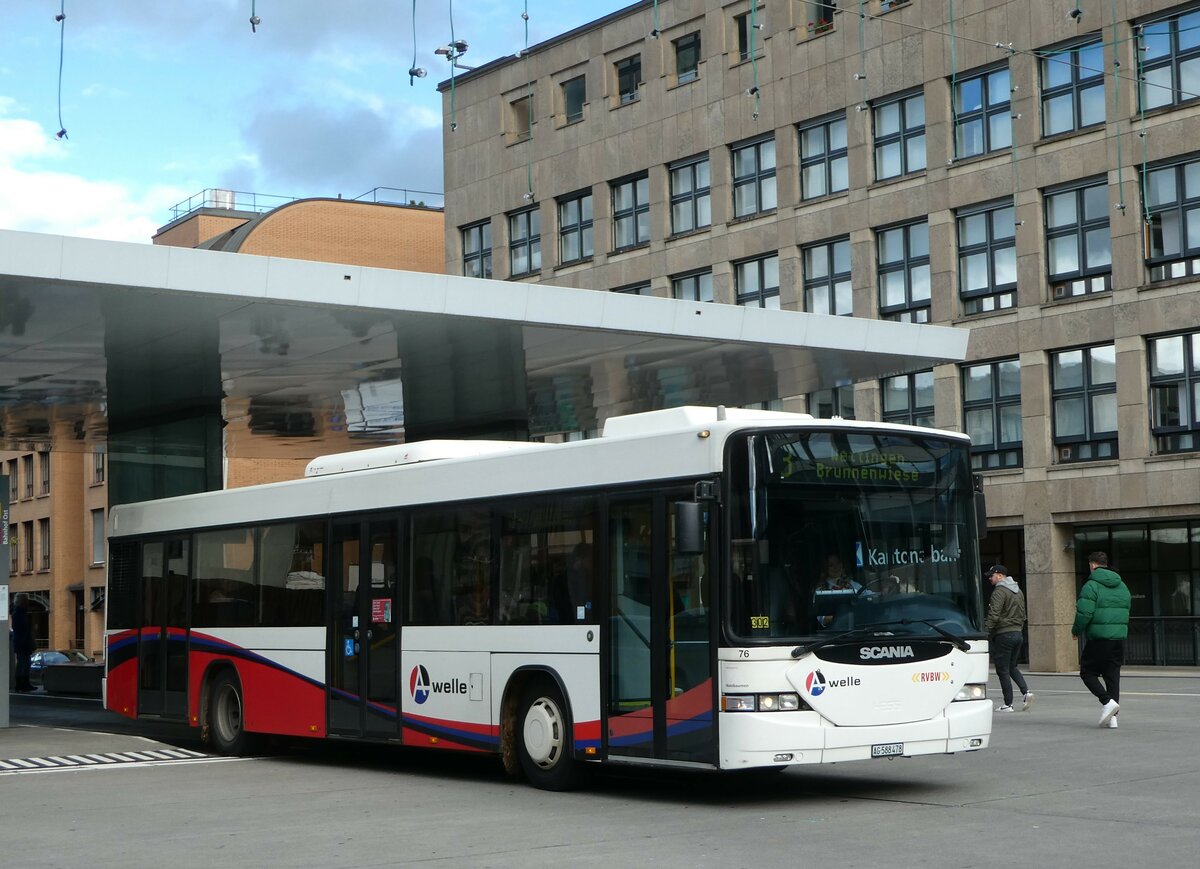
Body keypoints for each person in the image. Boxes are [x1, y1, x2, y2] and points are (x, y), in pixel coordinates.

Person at [1071, 551, 1131, 729]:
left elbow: (1085, 612)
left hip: (1099, 637)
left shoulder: (1091, 585)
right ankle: (1113, 718)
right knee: (1112, 676)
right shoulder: (1122, 586)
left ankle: (1107, 702)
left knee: (1087, 672)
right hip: (1118, 637)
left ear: (1092, 565)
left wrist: (1077, 630)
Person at [983, 565, 1033, 713]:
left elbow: (994, 614)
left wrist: (985, 632)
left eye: (991, 575)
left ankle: (1008, 704)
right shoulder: (1018, 591)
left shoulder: (999, 591)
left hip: (1004, 634)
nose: (990, 578)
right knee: (1012, 667)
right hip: (1018, 633)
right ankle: (1026, 692)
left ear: (999, 575)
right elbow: (1022, 613)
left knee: (1002, 670)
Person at [11, 593, 34, 693]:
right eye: (26, 600)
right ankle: (21, 684)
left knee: (25, 663)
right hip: (22, 642)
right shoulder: (19, 614)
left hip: (21, 641)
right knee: (23, 663)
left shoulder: (19, 613)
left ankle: (24, 684)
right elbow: (23, 630)